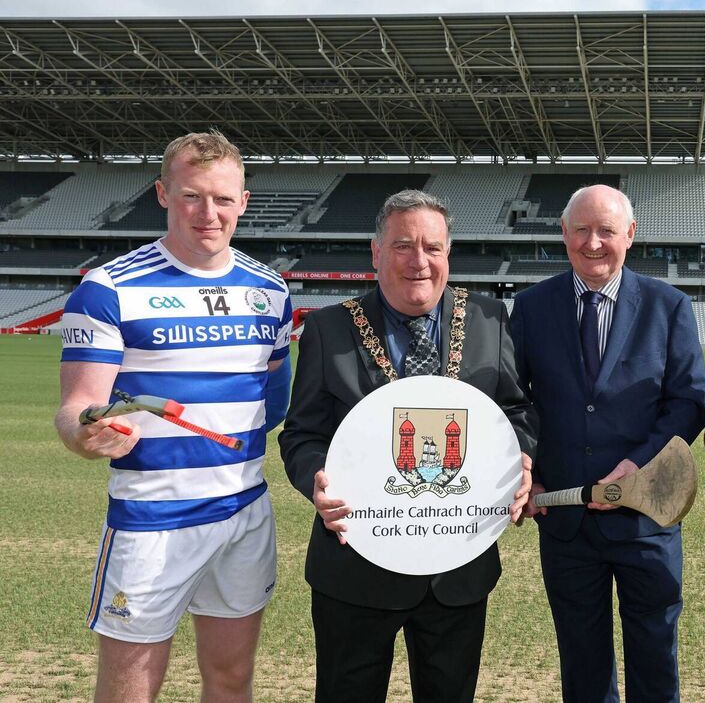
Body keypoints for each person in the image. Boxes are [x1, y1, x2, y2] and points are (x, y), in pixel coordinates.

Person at [55, 130, 293, 703]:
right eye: (191, 196)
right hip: (152, 519)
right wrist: (86, 437)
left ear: (244, 202)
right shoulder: (109, 288)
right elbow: (74, 409)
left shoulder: (271, 290)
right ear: (163, 194)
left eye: (221, 198)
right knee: (130, 690)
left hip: (244, 510)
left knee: (233, 679)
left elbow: (274, 402)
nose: (207, 213)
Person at [278, 189, 536, 703]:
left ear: (448, 254)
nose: (419, 262)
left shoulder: (488, 318)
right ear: (376, 253)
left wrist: (521, 459)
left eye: (432, 248)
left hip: (457, 567)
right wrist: (316, 482)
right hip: (354, 565)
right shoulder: (328, 329)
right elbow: (302, 434)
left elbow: (515, 412)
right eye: (402, 246)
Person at [511, 184, 705, 702]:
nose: (593, 242)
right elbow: (515, 403)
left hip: (646, 516)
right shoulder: (531, 308)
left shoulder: (669, 306)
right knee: (582, 661)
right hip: (565, 517)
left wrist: (638, 465)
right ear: (564, 233)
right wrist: (528, 468)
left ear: (631, 235)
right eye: (581, 229)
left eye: (606, 230)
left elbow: (688, 403)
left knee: (655, 654)